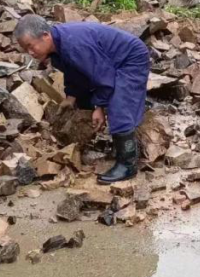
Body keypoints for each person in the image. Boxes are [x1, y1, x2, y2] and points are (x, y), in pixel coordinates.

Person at [14, 15, 151, 184]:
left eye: (30, 46)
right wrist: (71, 97)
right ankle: (116, 144)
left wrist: (99, 107)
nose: (30, 53)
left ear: (45, 35)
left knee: (119, 105)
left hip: (130, 58)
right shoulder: (57, 46)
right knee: (86, 98)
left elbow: (103, 77)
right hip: (109, 61)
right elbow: (75, 72)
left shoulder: (74, 45)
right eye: (25, 49)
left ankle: (127, 164)